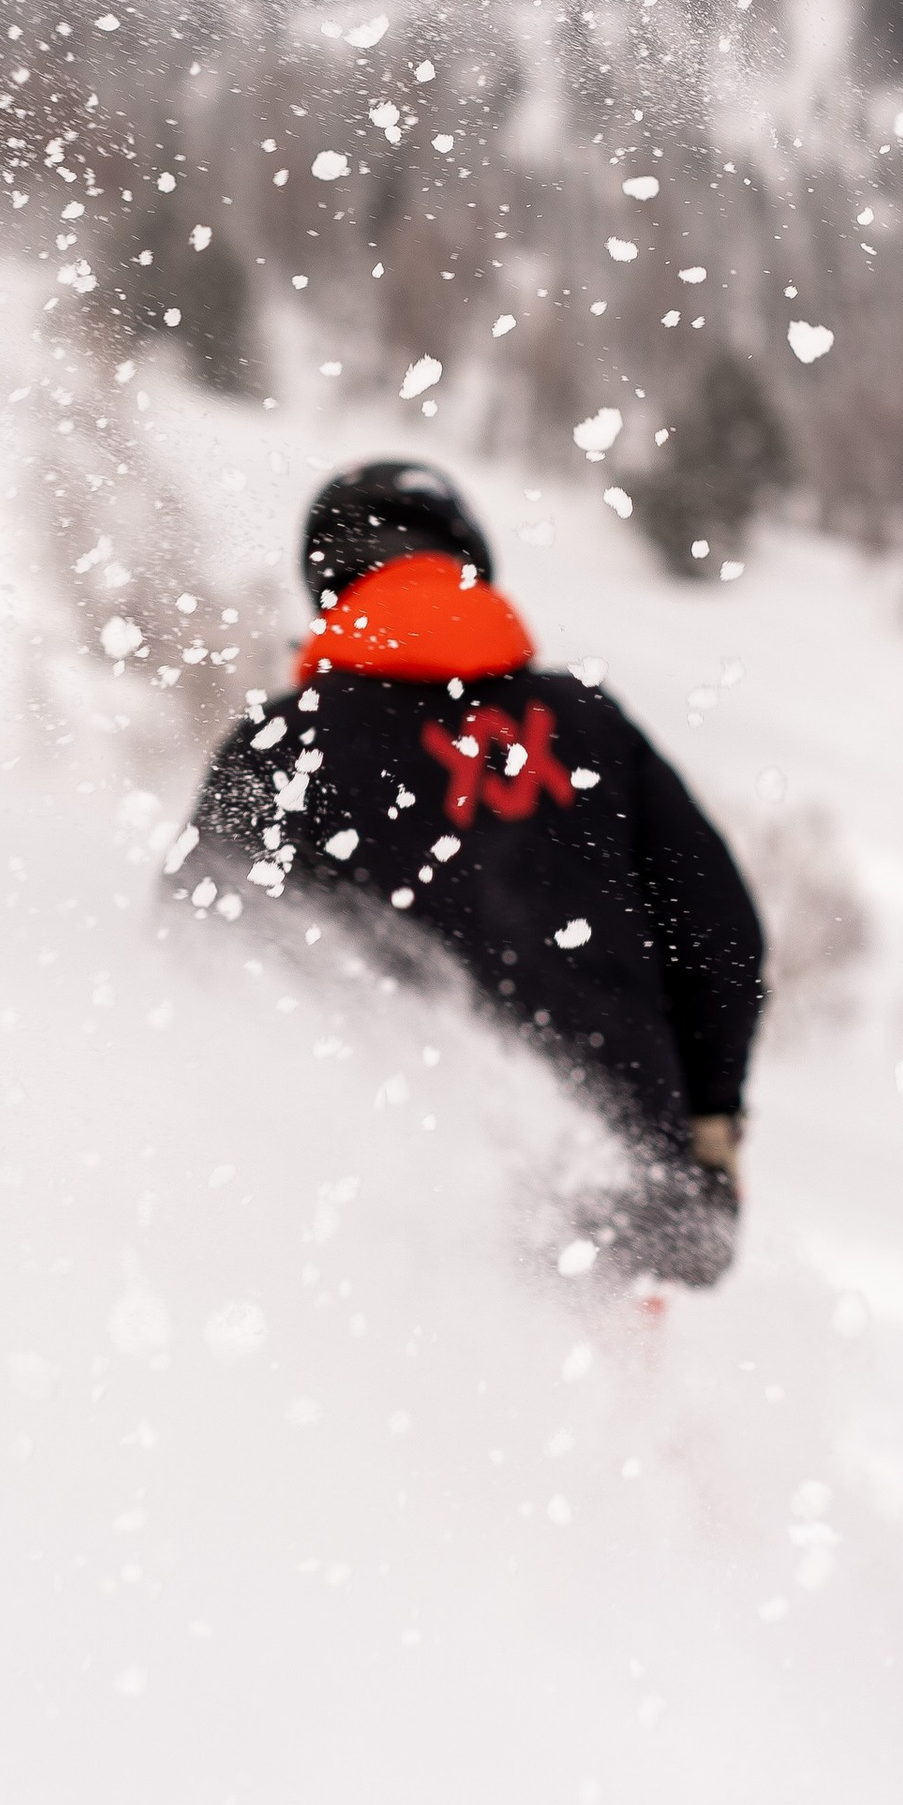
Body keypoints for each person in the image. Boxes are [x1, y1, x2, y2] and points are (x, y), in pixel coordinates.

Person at [171, 460, 766, 1285]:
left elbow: (189, 965)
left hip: (400, 1220)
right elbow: (721, 936)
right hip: (620, 1191)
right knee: (608, 1405)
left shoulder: (283, 748)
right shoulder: (587, 724)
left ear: (331, 591)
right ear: (469, 570)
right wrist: (706, 1132)